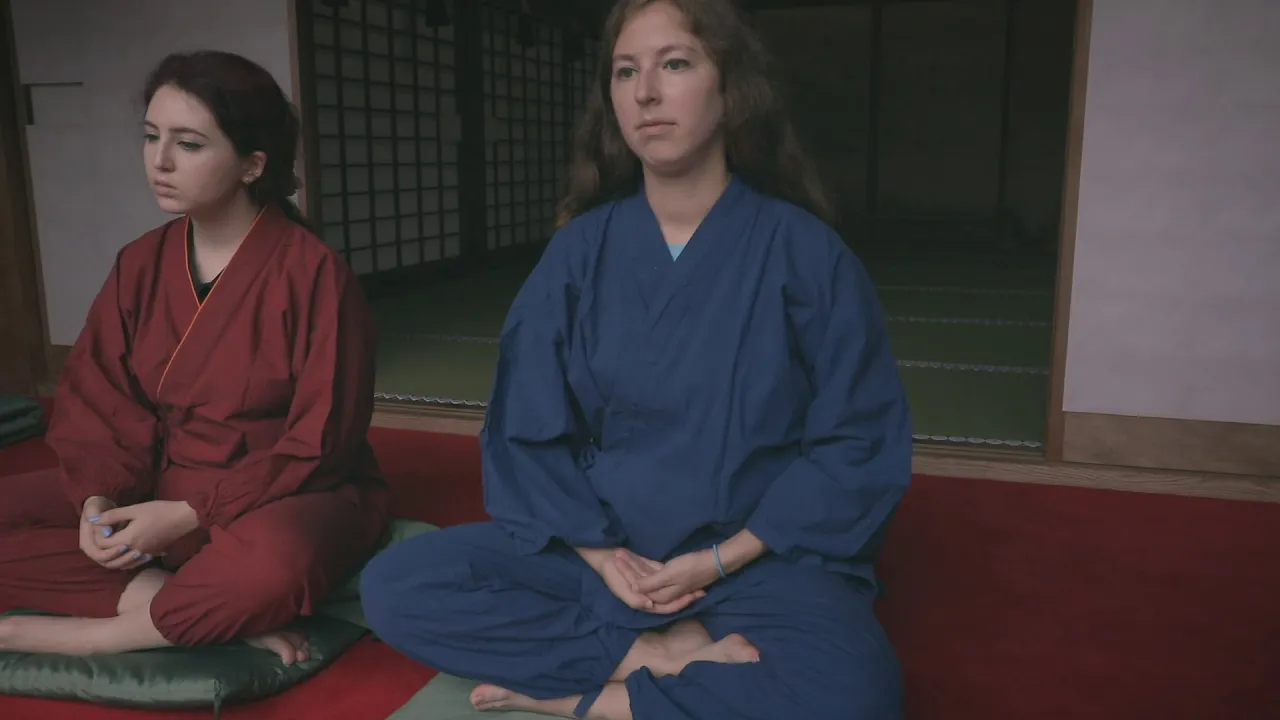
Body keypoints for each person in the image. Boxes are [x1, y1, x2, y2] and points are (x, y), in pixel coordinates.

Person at [361, 0, 912, 718]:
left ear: (731, 90)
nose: (645, 92)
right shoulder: (578, 253)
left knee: (855, 696)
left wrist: (722, 558)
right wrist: (599, 556)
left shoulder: (806, 254)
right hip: (607, 559)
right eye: (626, 72)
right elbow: (526, 427)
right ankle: (651, 658)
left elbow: (856, 439)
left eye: (674, 64)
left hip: (758, 560)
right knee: (398, 585)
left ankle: (583, 700)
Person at [0, 50, 389, 665]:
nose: (159, 161)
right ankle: (167, 602)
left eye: (189, 144)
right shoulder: (139, 264)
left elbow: (322, 442)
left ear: (251, 165)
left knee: (276, 565)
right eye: (152, 137)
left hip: (278, 497)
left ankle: (99, 634)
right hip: (156, 480)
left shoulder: (313, 274)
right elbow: (102, 399)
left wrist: (189, 514)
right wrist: (99, 501)